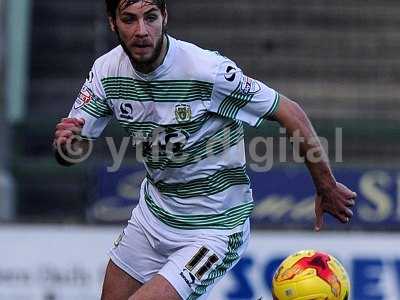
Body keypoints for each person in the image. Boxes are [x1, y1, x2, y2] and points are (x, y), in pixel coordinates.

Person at [53, 1, 357, 299]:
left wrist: (325, 185)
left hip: (213, 229)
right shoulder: (106, 71)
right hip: (152, 217)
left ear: (165, 17)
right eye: (129, 19)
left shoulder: (206, 70)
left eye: (151, 17)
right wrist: (67, 145)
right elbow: (74, 147)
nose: (142, 30)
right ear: (112, 23)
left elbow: (290, 111)